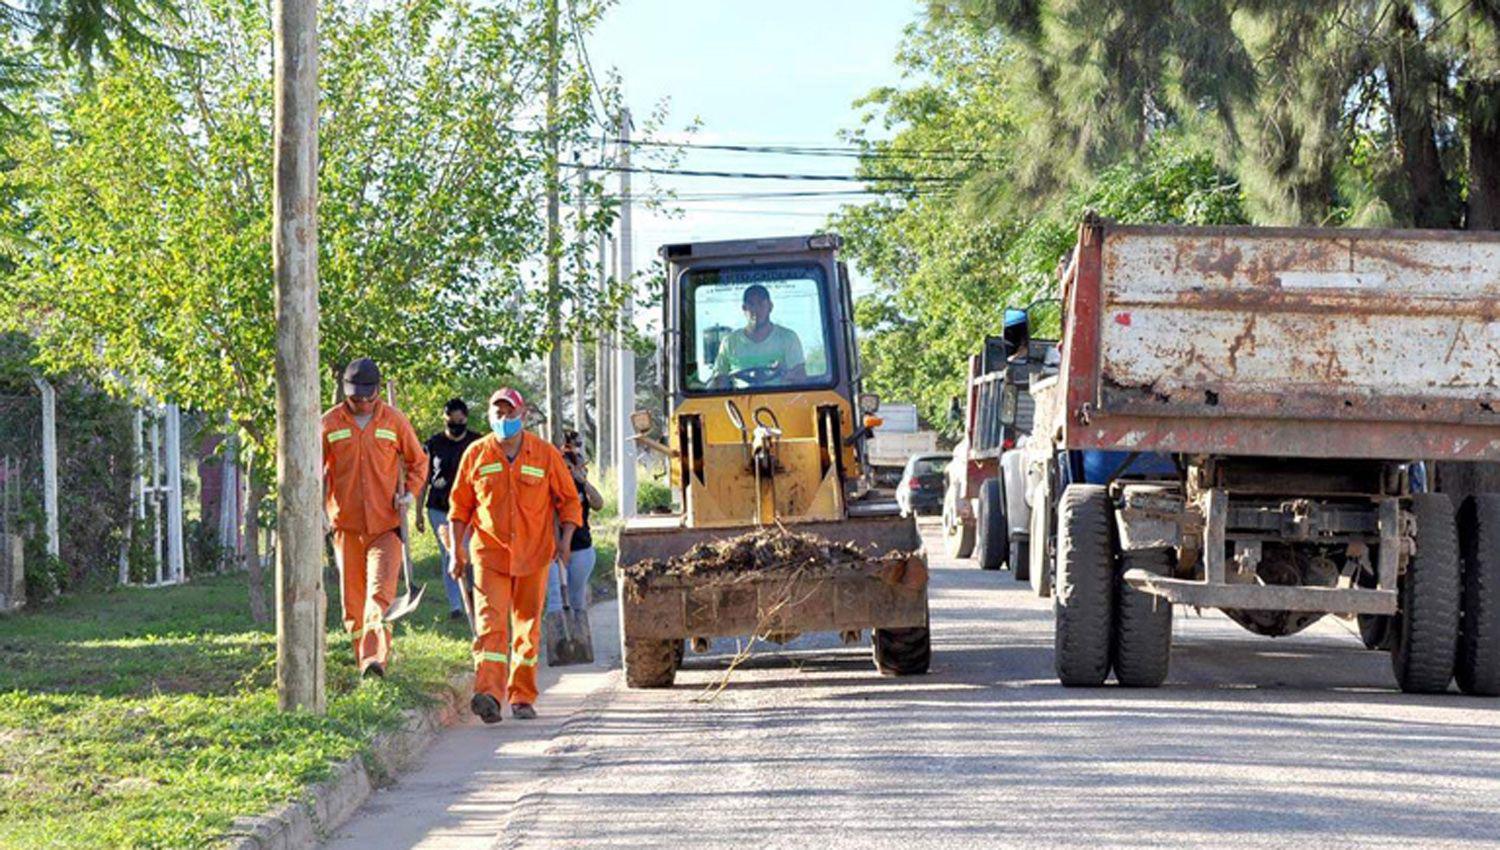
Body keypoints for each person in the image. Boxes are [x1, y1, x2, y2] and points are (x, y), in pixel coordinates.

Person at [448, 388, 582, 723]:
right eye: (498, 413)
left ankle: (522, 696)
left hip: (534, 556)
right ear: (489, 416)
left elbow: (568, 501)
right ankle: (489, 694)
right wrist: (456, 550)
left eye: (510, 413)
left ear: (522, 416)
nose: (503, 419)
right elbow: (458, 508)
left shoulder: (544, 454)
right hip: (489, 556)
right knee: (491, 627)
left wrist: (565, 541)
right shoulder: (475, 455)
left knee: (527, 628)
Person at [321, 357, 428, 678]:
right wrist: (316, 512)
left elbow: (418, 463)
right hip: (346, 527)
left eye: (369, 397)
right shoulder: (328, 424)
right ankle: (364, 664)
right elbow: (313, 471)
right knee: (352, 606)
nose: (364, 404)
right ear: (345, 392)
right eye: (356, 398)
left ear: (378, 391)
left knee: (378, 595)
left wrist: (409, 493)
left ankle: (374, 660)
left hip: (386, 525)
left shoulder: (394, 421)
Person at [416, 398, 482, 620]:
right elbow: (423, 480)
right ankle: (456, 605)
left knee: (469, 553)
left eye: (460, 421)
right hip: (440, 509)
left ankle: (475, 597)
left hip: (470, 510)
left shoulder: (477, 443)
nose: (456, 426)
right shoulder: (433, 444)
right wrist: (418, 512)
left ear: (466, 419)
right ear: (445, 420)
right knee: (450, 554)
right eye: (451, 422)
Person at [545, 431, 605, 655]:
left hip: (581, 547)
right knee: (555, 598)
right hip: (553, 550)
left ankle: (580, 643)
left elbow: (599, 504)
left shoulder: (580, 486)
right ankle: (557, 646)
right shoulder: (548, 489)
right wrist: (560, 546)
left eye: (569, 468)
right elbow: (550, 520)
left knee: (576, 597)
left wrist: (584, 482)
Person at [711, 283, 807, 387]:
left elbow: (800, 378)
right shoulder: (730, 342)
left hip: (780, 401)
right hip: (739, 401)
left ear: (770, 306)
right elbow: (718, 381)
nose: (756, 310)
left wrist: (785, 372)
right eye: (751, 304)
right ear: (744, 308)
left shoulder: (788, 338)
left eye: (761, 304)